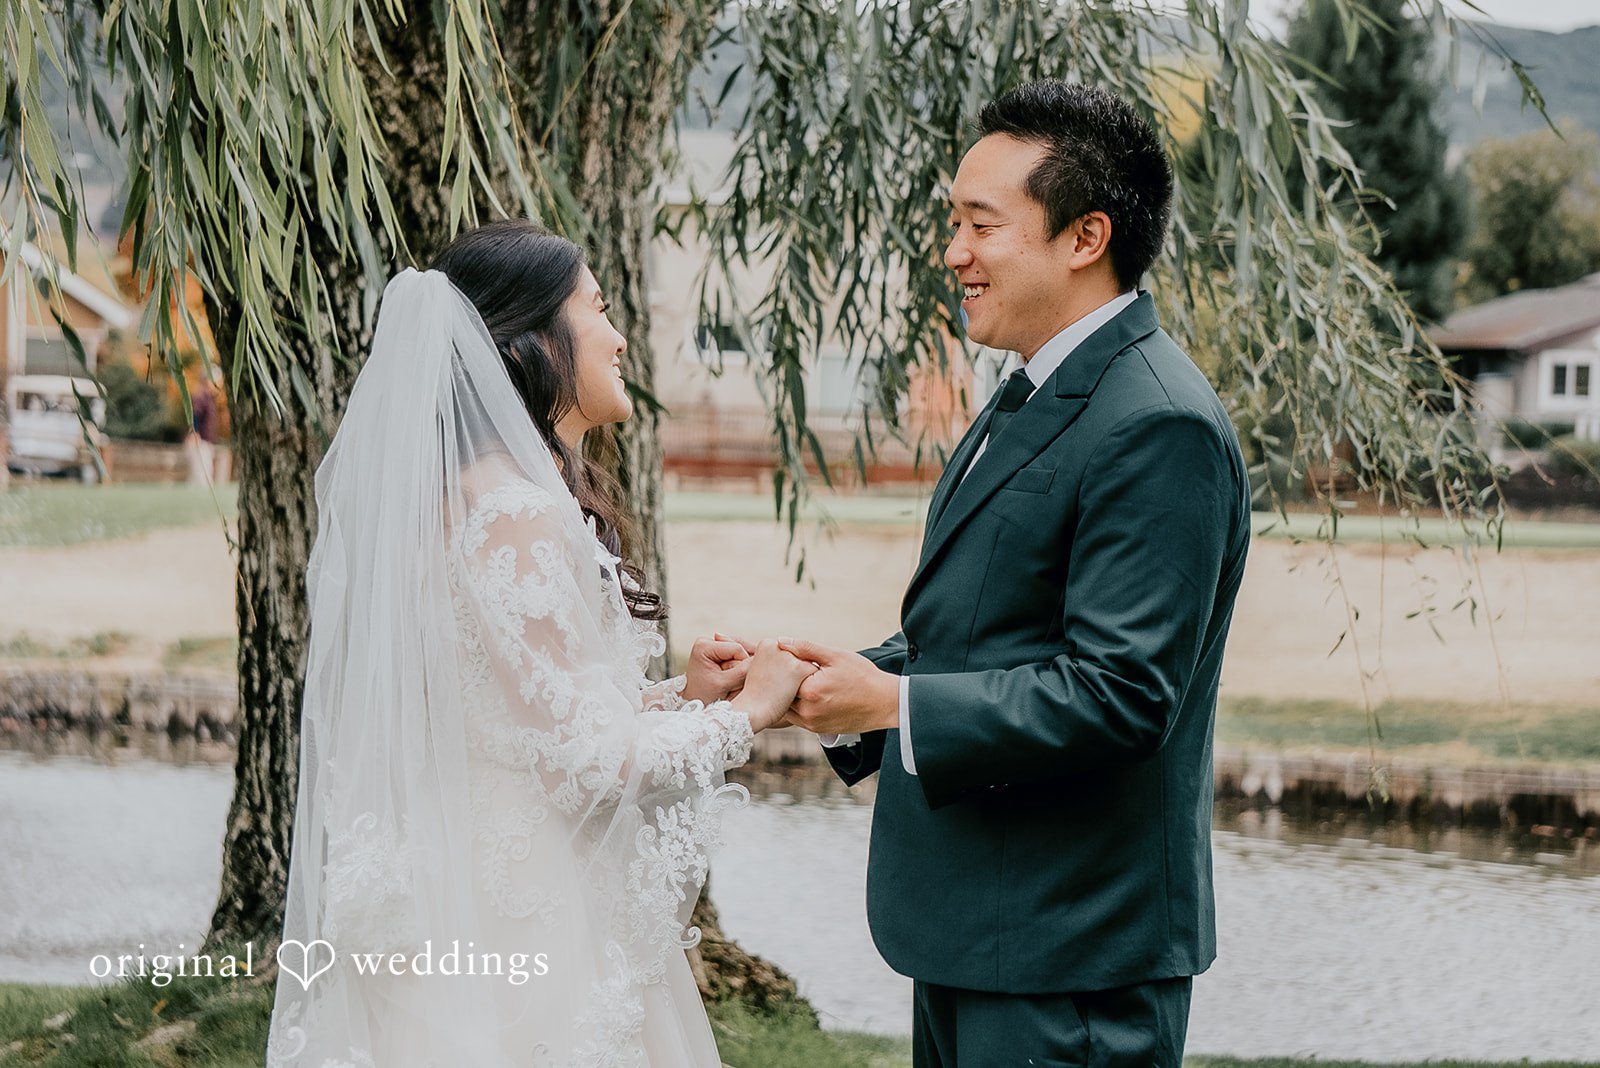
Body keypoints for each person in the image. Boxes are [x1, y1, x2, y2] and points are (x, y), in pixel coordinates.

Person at [778, 81, 1253, 1066]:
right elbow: (988, 626)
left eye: (979, 224)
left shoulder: (1155, 422)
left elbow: (1119, 693)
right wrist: (838, 684)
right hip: (978, 938)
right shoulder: (1033, 388)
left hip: (1068, 958)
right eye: (952, 221)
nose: (952, 251)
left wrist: (897, 706)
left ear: (1084, 237)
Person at [264, 220, 815, 1066]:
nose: (621, 334)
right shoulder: (511, 515)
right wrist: (754, 713)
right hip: (533, 910)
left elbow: (526, 718)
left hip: (485, 885)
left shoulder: (482, 499)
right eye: (597, 308)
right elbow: (591, 766)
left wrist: (688, 696)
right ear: (529, 346)